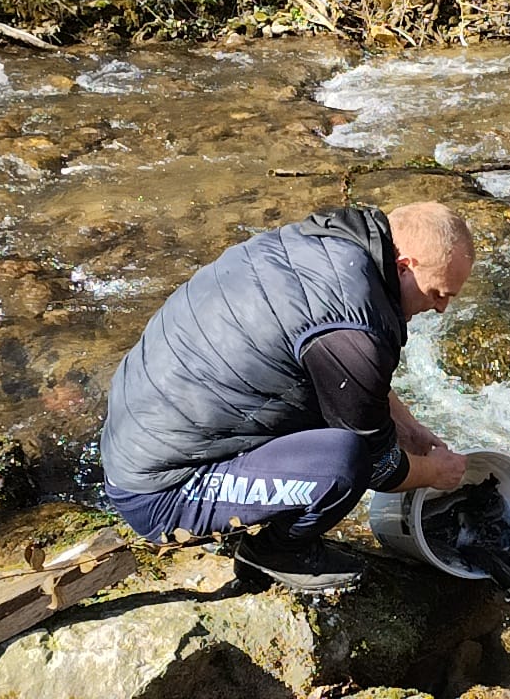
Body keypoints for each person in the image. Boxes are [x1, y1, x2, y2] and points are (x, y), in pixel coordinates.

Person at [100, 202, 474, 591]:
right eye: (438, 293)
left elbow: (344, 368)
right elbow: (379, 466)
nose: (442, 308)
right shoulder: (354, 326)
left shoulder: (326, 243)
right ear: (403, 266)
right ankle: (274, 552)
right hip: (159, 491)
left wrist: (409, 427)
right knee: (346, 462)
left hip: (137, 439)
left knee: (338, 417)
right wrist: (436, 473)